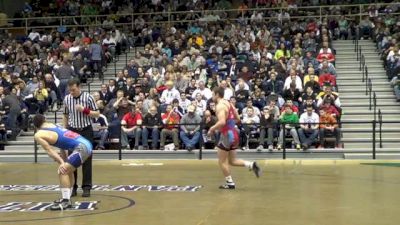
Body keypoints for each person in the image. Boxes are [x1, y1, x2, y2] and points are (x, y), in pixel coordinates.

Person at [33, 114, 93, 210]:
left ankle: (66, 201)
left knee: (62, 170)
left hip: (81, 147)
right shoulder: (56, 126)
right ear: (45, 119)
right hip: (85, 144)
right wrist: (64, 161)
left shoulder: (38, 134)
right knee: (67, 170)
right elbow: (62, 145)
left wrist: (61, 162)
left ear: (35, 126)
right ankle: (67, 198)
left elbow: (49, 150)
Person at [207, 87, 260, 190]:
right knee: (232, 161)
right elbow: (238, 118)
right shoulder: (228, 103)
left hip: (227, 134)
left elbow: (222, 122)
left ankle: (230, 183)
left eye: (213, 94)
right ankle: (251, 164)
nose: (212, 97)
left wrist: (212, 129)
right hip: (234, 133)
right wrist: (229, 125)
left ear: (217, 94)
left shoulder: (220, 106)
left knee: (222, 161)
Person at [63, 78, 99, 197]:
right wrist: (64, 130)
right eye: (70, 90)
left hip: (86, 130)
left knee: (87, 158)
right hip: (72, 132)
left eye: (73, 90)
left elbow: (97, 113)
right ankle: (73, 186)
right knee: (72, 160)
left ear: (79, 87)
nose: (71, 92)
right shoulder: (67, 99)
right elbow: (65, 115)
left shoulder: (88, 97)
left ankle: (86, 187)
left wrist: (85, 110)